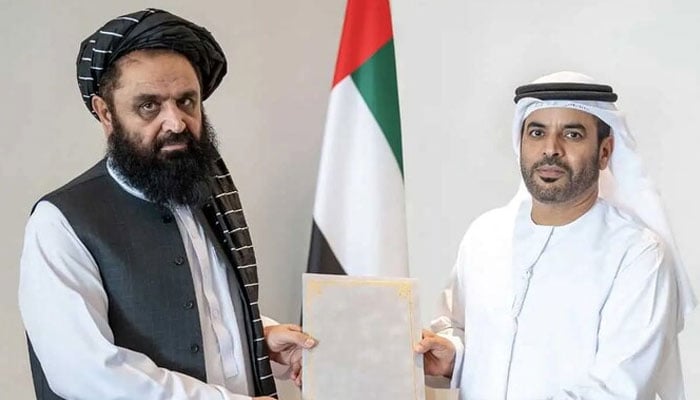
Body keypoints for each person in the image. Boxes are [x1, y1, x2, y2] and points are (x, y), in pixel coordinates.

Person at [18, 8, 314, 400]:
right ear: (105, 113)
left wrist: (261, 334)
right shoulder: (61, 222)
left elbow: (201, 308)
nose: (175, 122)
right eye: (149, 106)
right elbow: (86, 372)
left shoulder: (203, 194)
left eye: (186, 101)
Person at [415, 71, 697, 399]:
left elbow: (617, 390)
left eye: (573, 134)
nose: (551, 149)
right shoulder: (485, 236)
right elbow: (460, 328)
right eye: (537, 133)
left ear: (605, 152)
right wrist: (453, 357)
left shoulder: (637, 254)